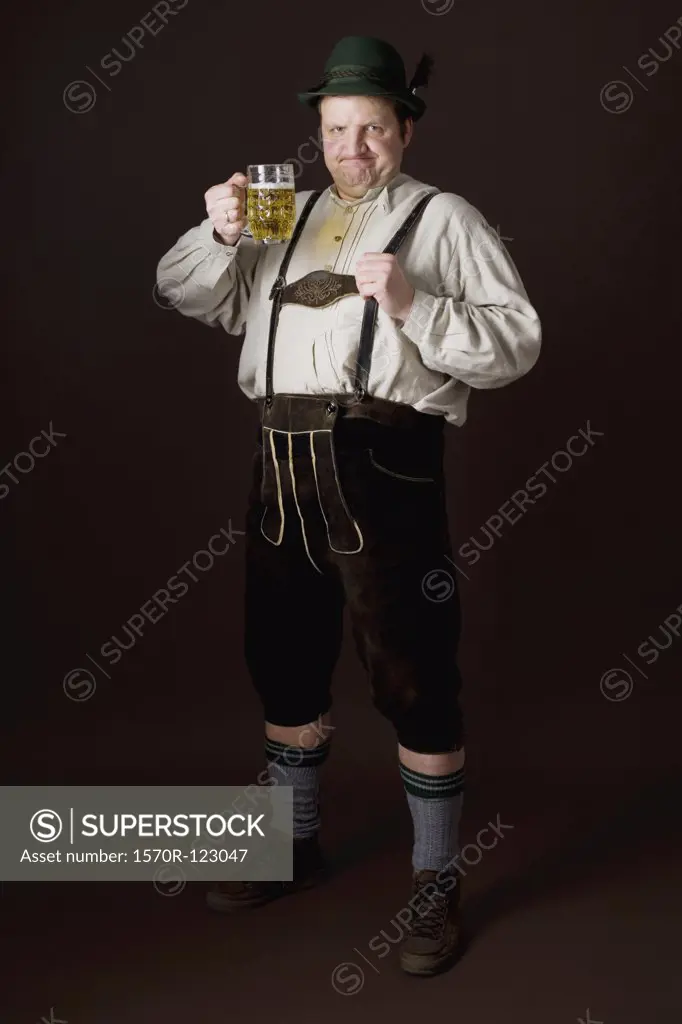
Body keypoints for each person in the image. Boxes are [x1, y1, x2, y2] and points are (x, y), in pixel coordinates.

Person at [156, 35, 541, 977]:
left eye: (372, 128)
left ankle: (435, 881)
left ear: (404, 131)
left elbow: (517, 342)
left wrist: (414, 304)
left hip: (383, 462)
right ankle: (294, 846)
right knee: (282, 658)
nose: (353, 148)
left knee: (411, 669)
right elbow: (180, 293)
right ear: (317, 134)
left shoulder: (443, 219)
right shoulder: (281, 212)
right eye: (336, 129)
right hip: (278, 458)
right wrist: (219, 233)